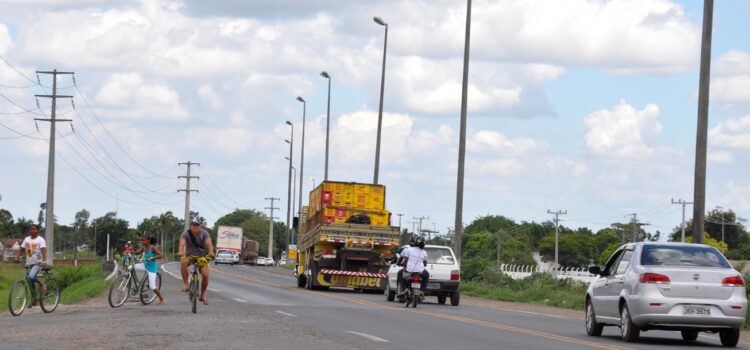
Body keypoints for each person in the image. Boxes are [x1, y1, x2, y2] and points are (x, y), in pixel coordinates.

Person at [178, 222, 214, 305]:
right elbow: (182, 244)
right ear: (191, 226)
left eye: (197, 225)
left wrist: (211, 252)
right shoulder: (186, 234)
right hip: (190, 256)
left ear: (200, 226)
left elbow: (209, 244)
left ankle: (203, 294)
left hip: (201, 256)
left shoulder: (204, 233)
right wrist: (181, 251)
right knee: (183, 262)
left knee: (205, 274)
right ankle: (186, 284)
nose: (195, 226)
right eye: (193, 225)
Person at [13, 224, 47, 306]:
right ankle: (34, 299)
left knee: (31, 277)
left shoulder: (40, 240)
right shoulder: (27, 239)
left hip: (37, 263)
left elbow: (43, 251)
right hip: (29, 263)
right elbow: (21, 249)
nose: (32, 231)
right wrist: (17, 258)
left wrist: (44, 261)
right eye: (31, 229)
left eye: (34, 229)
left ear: (37, 230)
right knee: (29, 281)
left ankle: (42, 283)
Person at [132, 234, 165, 304]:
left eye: (143, 240)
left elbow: (161, 255)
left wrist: (152, 258)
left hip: (152, 269)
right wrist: (132, 252)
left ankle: (161, 299)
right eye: (141, 240)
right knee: (130, 267)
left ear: (148, 241)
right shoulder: (143, 247)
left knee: (152, 286)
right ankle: (133, 284)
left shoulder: (153, 248)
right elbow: (138, 252)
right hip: (144, 265)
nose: (141, 242)